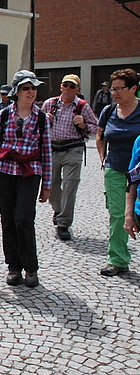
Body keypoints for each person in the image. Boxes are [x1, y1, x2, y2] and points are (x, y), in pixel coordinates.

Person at [0, 70, 52, 288]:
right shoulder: (3, 115)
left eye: (33, 88)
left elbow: (47, 151)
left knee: (24, 218)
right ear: (16, 92)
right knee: (8, 220)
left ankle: (31, 268)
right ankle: (13, 266)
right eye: (26, 88)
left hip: (30, 172)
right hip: (4, 172)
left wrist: (47, 184)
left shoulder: (41, 118)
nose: (31, 92)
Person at [41, 74, 98, 240]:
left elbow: (95, 128)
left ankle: (64, 223)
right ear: (60, 86)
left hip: (73, 149)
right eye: (65, 85)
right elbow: (36, 126)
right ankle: (58, 210)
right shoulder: (49, 104)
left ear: (78, 90)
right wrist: (45, 120)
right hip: (52, 149)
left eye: (72, 87)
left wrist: (83, 124)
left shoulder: (83, 106)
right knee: (50, 185)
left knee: (70, 185)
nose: (68, 89)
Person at [96, 68, 140, 277]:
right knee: (118, 213)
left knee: (136, 213)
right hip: (115, 168)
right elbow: (100, 136)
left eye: (119, 89)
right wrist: (104, 159)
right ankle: (118, 259)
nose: (115, 93)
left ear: (134, 89)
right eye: (113, 89)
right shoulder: (109, 111)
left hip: (138, 172)